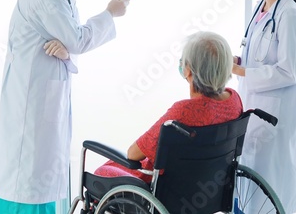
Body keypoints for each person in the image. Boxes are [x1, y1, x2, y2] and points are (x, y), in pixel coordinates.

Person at [0, 0, 132, 214]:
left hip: (45, 111)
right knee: (26, 190)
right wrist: (109, 13)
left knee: (42, 186)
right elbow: (78, 39)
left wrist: (68, 50)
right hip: (29, 116)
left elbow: (70, 42)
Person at [94, 31, 243, 183]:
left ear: (189, 70)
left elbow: (133, 154)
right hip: (208, 186)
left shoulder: (183, 111)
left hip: (166, 188)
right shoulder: (234, 100)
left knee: (101, 173)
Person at [232, 0, 296, 214]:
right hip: (254, 116)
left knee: (271, 196)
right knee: (250, 196)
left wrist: (242, 71)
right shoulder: (263, 9)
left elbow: (289, 71)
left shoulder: (289, 15)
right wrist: (238, 62)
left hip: (274, 123)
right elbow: (260, 57)